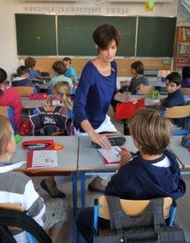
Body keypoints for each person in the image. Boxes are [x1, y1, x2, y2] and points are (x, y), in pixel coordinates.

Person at [76, 109, 186, 242]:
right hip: (158, 221)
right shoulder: (172, 161)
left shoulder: (128, 173)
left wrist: (121, 167)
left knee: (81, 217)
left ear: (138, 143)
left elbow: (109, 195)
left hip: (124, 222)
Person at [0, 115, 68, 242]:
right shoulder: (22, 183)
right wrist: (34, 196)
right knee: (62, 205)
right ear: (7, 147)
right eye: (13, 136)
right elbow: (39, 217)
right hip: (20, 236)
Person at [73, 24, 122, 192]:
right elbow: (77, 107)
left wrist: (123, 98)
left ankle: (97, 182)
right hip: (86, 125)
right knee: (84, 165)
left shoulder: (114, 65)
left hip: (102, 120)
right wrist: (92, 134)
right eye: (105, 48)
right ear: (97, 47)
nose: (110, 53)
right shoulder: (90, 71)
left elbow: (111, 92)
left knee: (122, 155)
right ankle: (53, 180)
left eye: (113, 47)